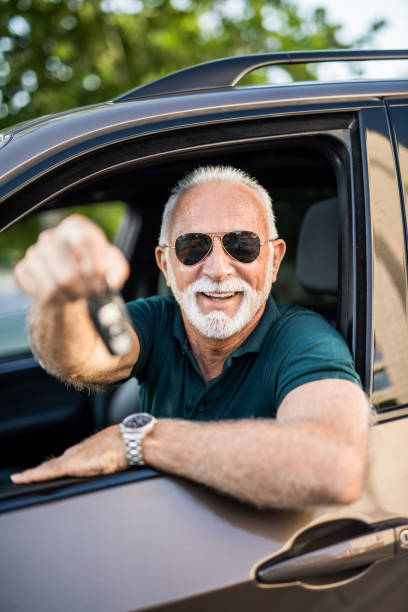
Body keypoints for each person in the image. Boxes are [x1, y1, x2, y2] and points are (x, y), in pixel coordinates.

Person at [11, 166, 369, 509]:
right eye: (192, 247)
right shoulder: (158, 319)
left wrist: (137, 439)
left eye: (242, 245)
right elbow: (82, 356)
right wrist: (59, 303)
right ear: (166, 264)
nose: (217, 269)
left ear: (273, 261)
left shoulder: (303, 339)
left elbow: (335, 464)